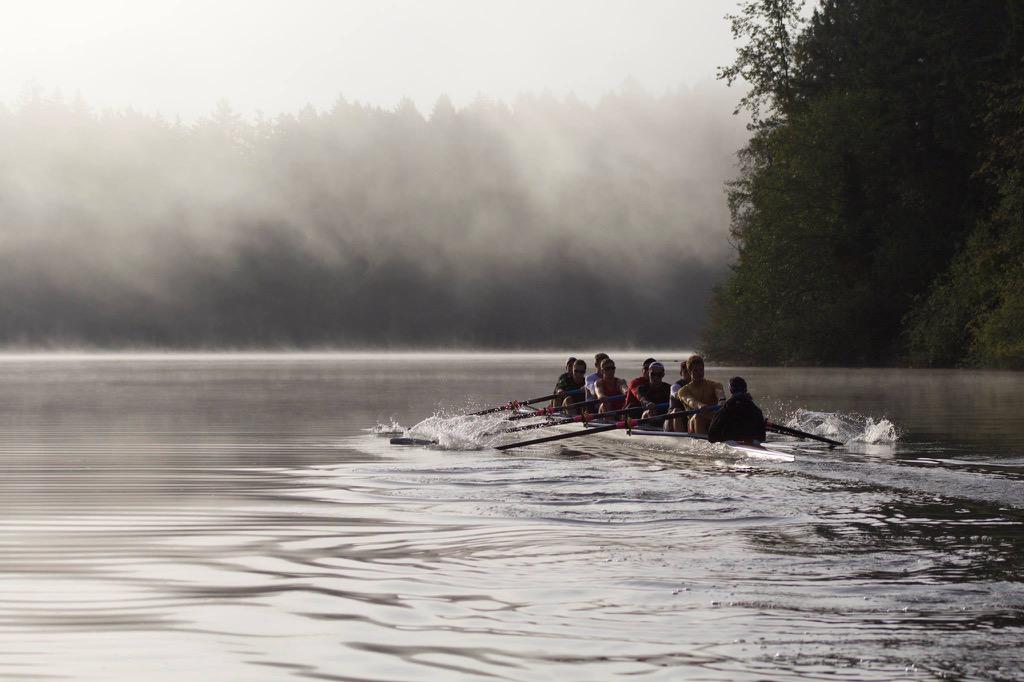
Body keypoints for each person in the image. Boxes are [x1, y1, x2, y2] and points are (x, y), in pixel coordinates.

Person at [708, 376, 767, 444]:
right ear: (745, 389)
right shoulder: (756, 410)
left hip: (731, 441)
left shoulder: (725, 409)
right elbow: (762, 438)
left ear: (730, 390)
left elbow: (711, 437)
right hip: (753, 442)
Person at [677, 354, 725, 435]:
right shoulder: (683, 391)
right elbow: (690, 401)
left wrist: (722, 400)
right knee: (698, 416)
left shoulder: (715, 385)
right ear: (689, 372)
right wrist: (700, 406)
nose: (699, 373)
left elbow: (719, 393)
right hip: (693, 424)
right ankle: (703, 442)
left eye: (701, 370)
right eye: (696, 370)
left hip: (713, 421)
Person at [665, 361, 692, 432]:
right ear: (681, 373)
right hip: (672, 419)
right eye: (686, 372)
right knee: (677, 411)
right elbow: (678, 395)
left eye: (690, 371)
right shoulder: (675, 386)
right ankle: (681, 439)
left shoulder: (699, 386)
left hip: (688, 417)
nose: (689, 374)